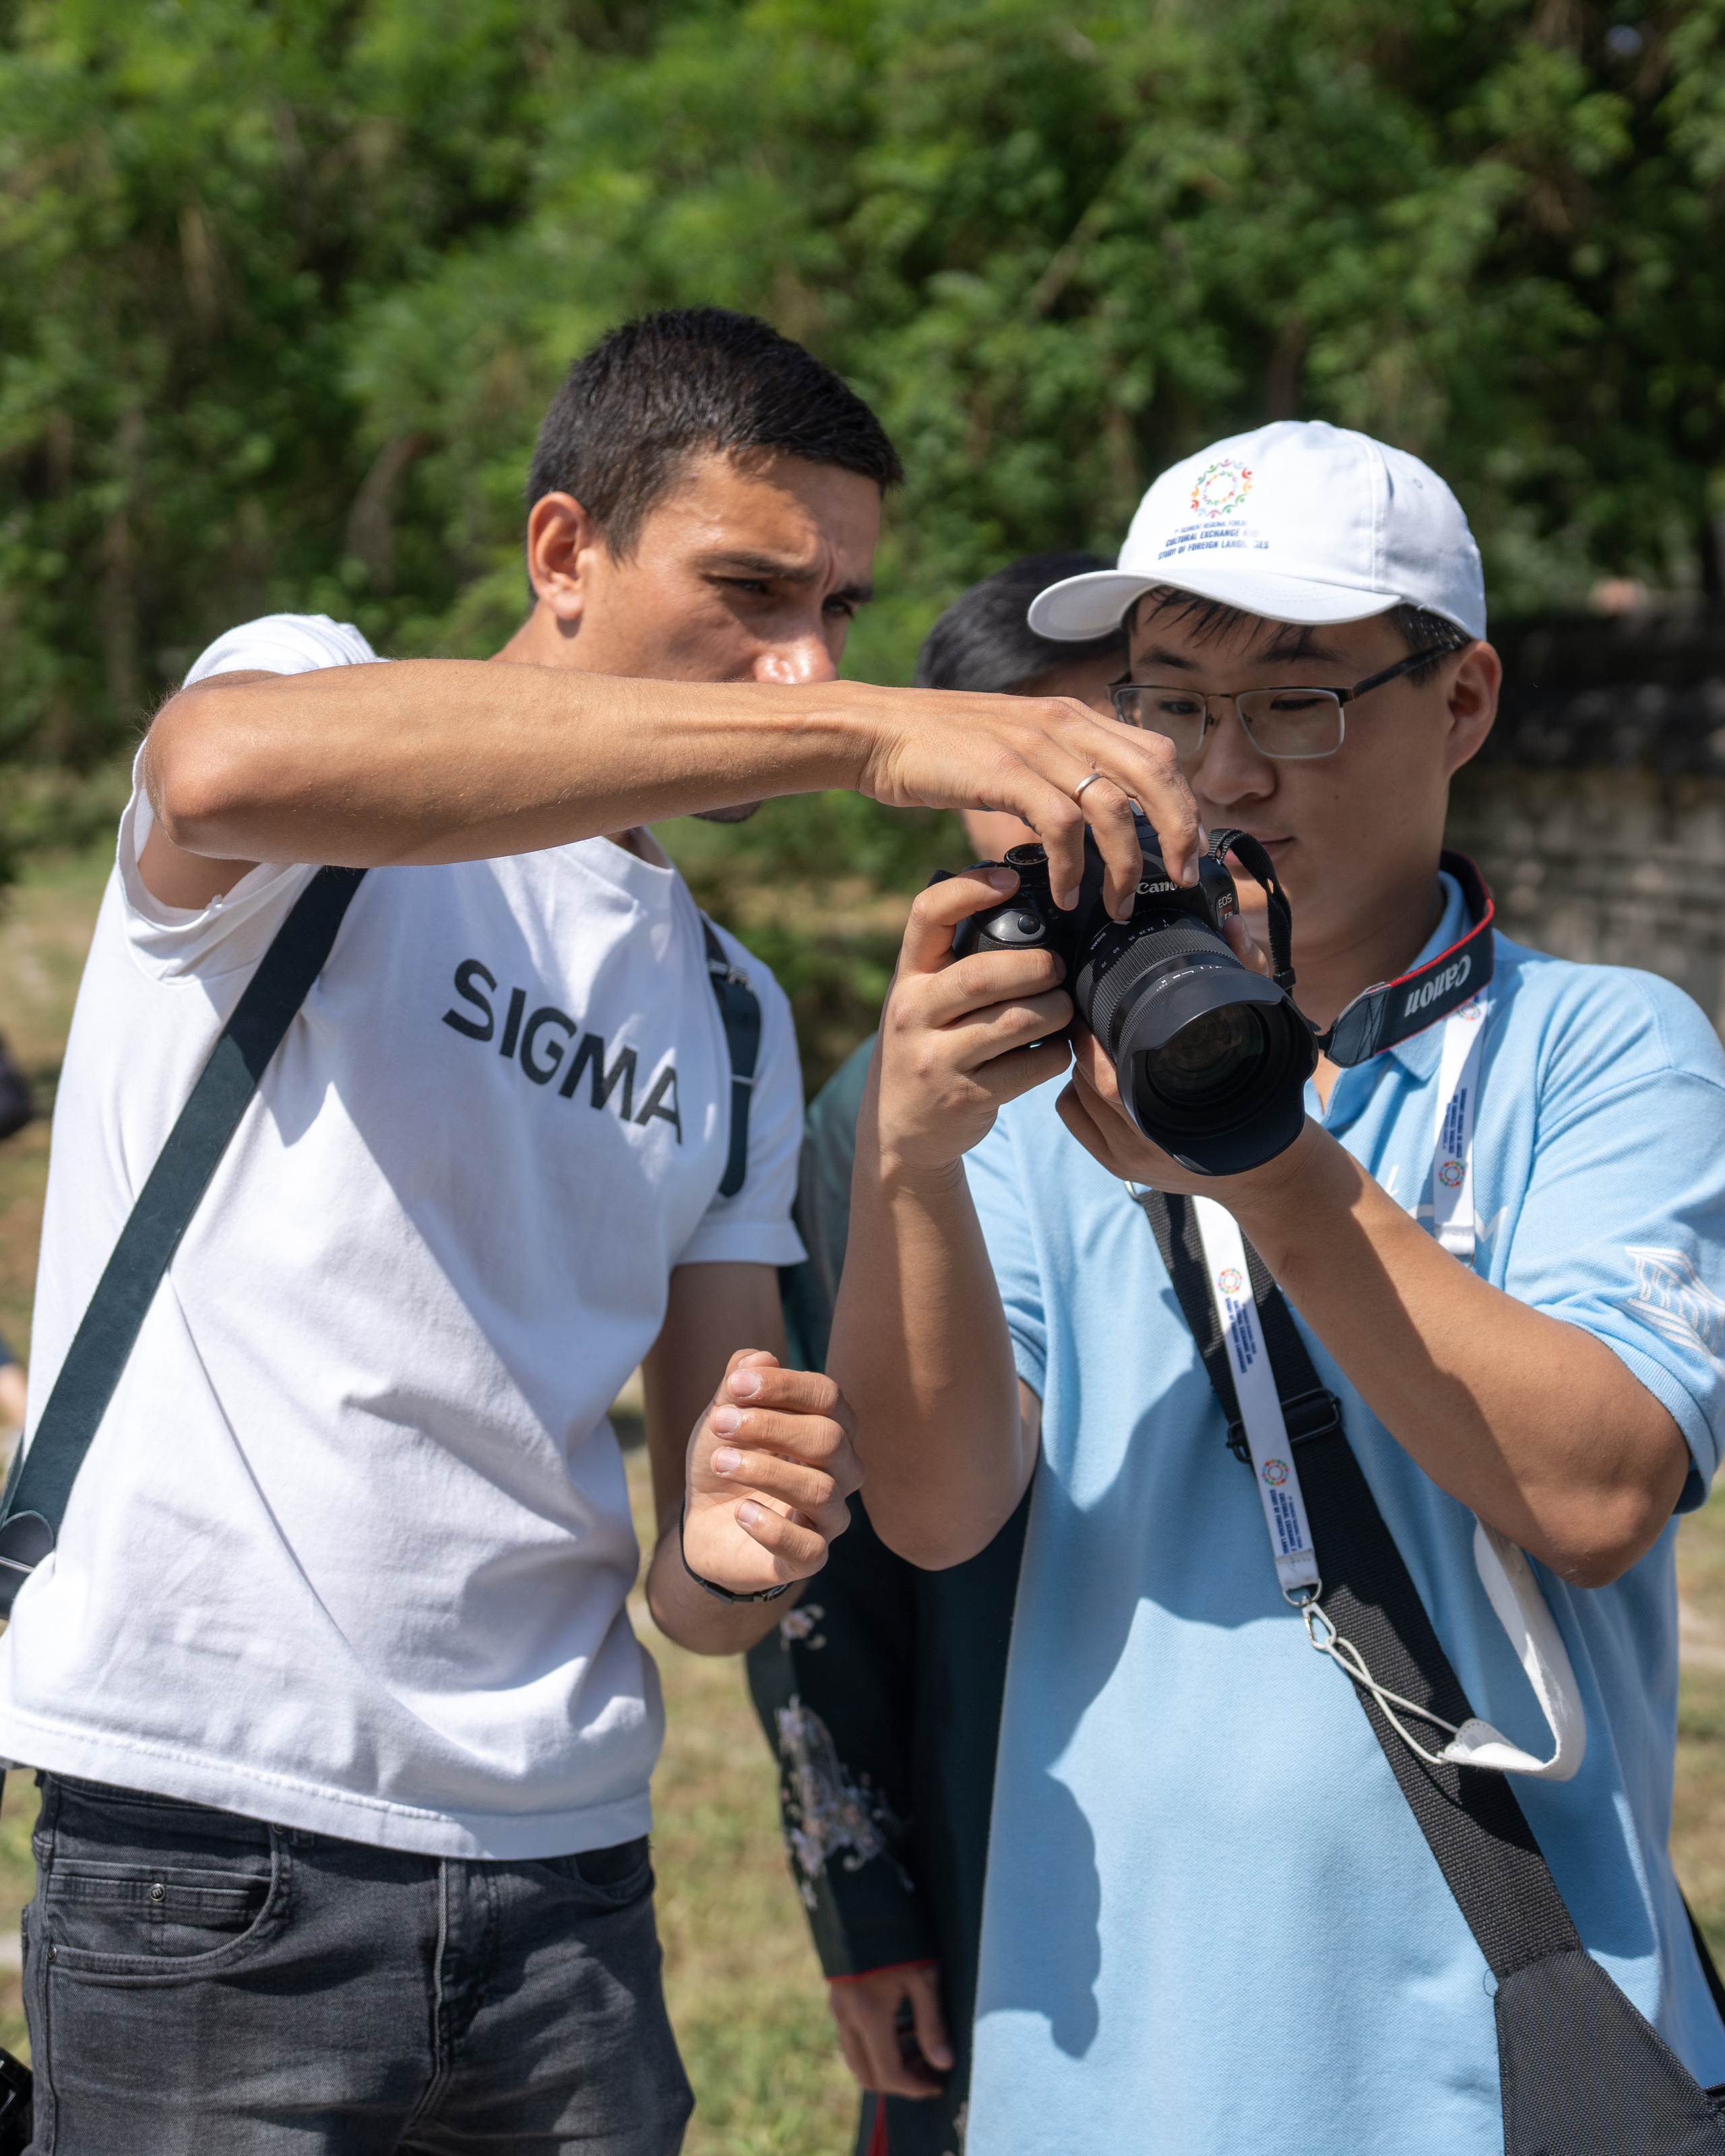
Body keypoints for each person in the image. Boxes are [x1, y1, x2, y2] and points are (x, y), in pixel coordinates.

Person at [0, 307, 1204, 2155]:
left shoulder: (722, 1004)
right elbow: (215, 771)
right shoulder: (315, 706)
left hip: (567, 1874)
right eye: (748, 586)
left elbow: (703, 1583)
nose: (800, 660)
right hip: (216, 1839)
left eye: (844, 615)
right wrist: (870, 729)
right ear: (564, 552)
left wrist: (745, 1537)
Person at [829, 419, 1725, 2152]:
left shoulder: (1600, 1048)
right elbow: (935, 1513)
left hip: (1484, 2071)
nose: (1223, 774)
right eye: (1169, 702)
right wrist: (911, 1156)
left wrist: (1267, 1155)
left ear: (1460, 700)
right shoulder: (1044, 1082)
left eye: (1295, 700)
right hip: (1100, 2069)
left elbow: (1596, 1488)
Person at [750, 553, 1127, 2156]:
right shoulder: (876, 1120)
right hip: (999, 1791)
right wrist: (864, 1899)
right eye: (1022, 858)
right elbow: (810, 1548)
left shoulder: (1339, 1058)